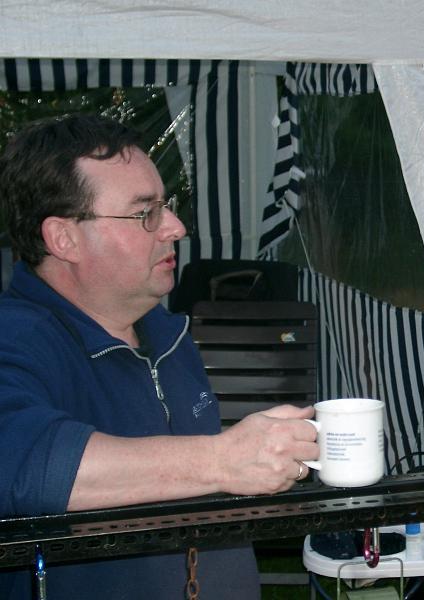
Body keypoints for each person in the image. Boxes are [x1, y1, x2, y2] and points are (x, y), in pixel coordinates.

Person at [0, 114, 319, 599]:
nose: (175, 227)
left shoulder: (167, 333)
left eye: (165, 206)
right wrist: (223, 459)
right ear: (64, 238)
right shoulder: (15, 337)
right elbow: (20, 462)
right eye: (144, 213)